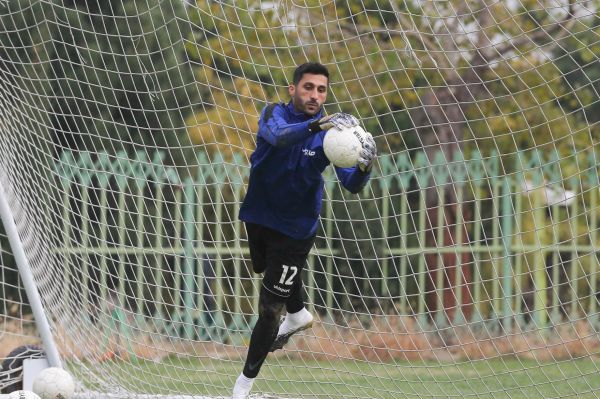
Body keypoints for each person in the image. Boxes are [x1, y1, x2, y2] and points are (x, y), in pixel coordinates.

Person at [232, 62, 377, 399]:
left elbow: (351, 185)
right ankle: (298, 315)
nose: (315, 95)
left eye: (321, 90)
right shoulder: (273, 114)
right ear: (292, 89)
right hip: (258, 216)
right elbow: (279, 138)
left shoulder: (334, 135)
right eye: (308, 87)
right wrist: (316, 124)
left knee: (269, 307)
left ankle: (242, 387)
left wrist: (365, 166)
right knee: (270, 277)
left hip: (296, 231)